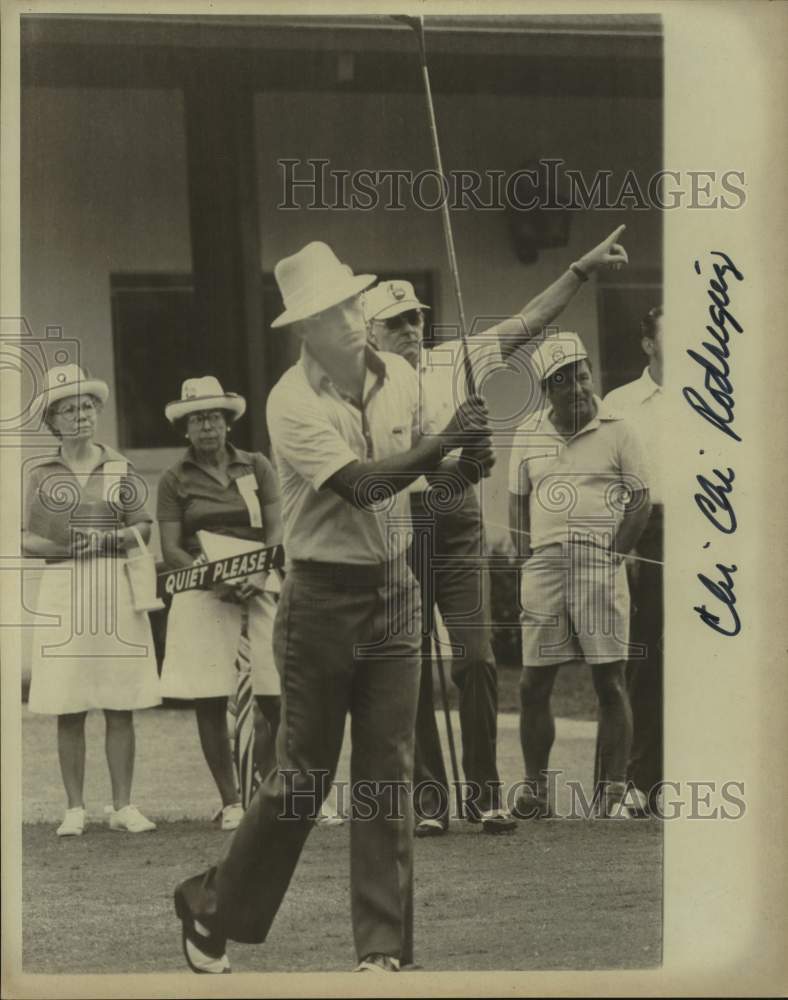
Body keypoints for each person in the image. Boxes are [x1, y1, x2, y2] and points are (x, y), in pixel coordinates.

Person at [173, 241, 494, 974]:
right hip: (319, 599)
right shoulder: (291, 402)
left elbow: (423, 480)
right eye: (330, 312)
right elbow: (365, 486)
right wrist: (445, 445)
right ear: (304, 330)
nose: (351, 318)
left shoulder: (405, 378)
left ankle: (382, 955)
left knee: (388, 771)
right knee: (301, 780)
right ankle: (209, 907)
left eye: (351, 303)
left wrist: (464, 466)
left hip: (394, 591)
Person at [363, 226, 630, 836]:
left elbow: (532, 318)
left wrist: (581, 270)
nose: (410, 330)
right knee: (409, 665)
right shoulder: (362, 387)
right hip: (395, 529)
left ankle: (484, 793)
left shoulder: (456, 356)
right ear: (371, 332)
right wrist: (453, 457)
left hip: (454, 524)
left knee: (476, 660)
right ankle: (430, 801)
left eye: (415, 318)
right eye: (396, 323)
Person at [507, 332, 651, 818]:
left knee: (610, 681)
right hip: (544, 564)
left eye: (583, 374)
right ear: (548, 388)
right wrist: (527, 553)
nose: (577, 387)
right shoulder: (528, 432)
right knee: (532, 684)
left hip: (599, 562)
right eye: (564, 380)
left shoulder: (618, 428)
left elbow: (640, 501)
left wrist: (614, 555)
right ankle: (535, 791)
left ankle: (611, 793)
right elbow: (516, 501)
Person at [22, 364, 160, 836]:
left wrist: (111, 539)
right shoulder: (40, 473)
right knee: (69, 700)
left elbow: (144, 524)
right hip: (63, 588)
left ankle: (123, 805)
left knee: (120, 700)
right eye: (68, 409)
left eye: (87, 407)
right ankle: (75, 809)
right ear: (52, 422)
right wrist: (69, 547)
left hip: (114, 586)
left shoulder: (120, 465)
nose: (80, 416)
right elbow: (27, 540)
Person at [157, 377, 282, 831]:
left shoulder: (257, 466)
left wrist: (258, 571)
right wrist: (219, 577)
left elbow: (276, 527)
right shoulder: (175, 479)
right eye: (197, 419)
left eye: (213, 417)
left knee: (276, 692)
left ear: (228, 423)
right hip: (203, 590)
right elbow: (171, 547)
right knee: (210, 695)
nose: (206, 426)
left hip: (261, 583)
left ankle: (279, 791)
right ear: (185, 429)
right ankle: (231, 801)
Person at [603, 306, 664, 812]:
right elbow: (609, 485)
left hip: (713, 530)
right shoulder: (621, 404)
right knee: (646, 658)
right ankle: (639, 781)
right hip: (646, 529)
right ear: (648, 345)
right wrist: (624, 547)